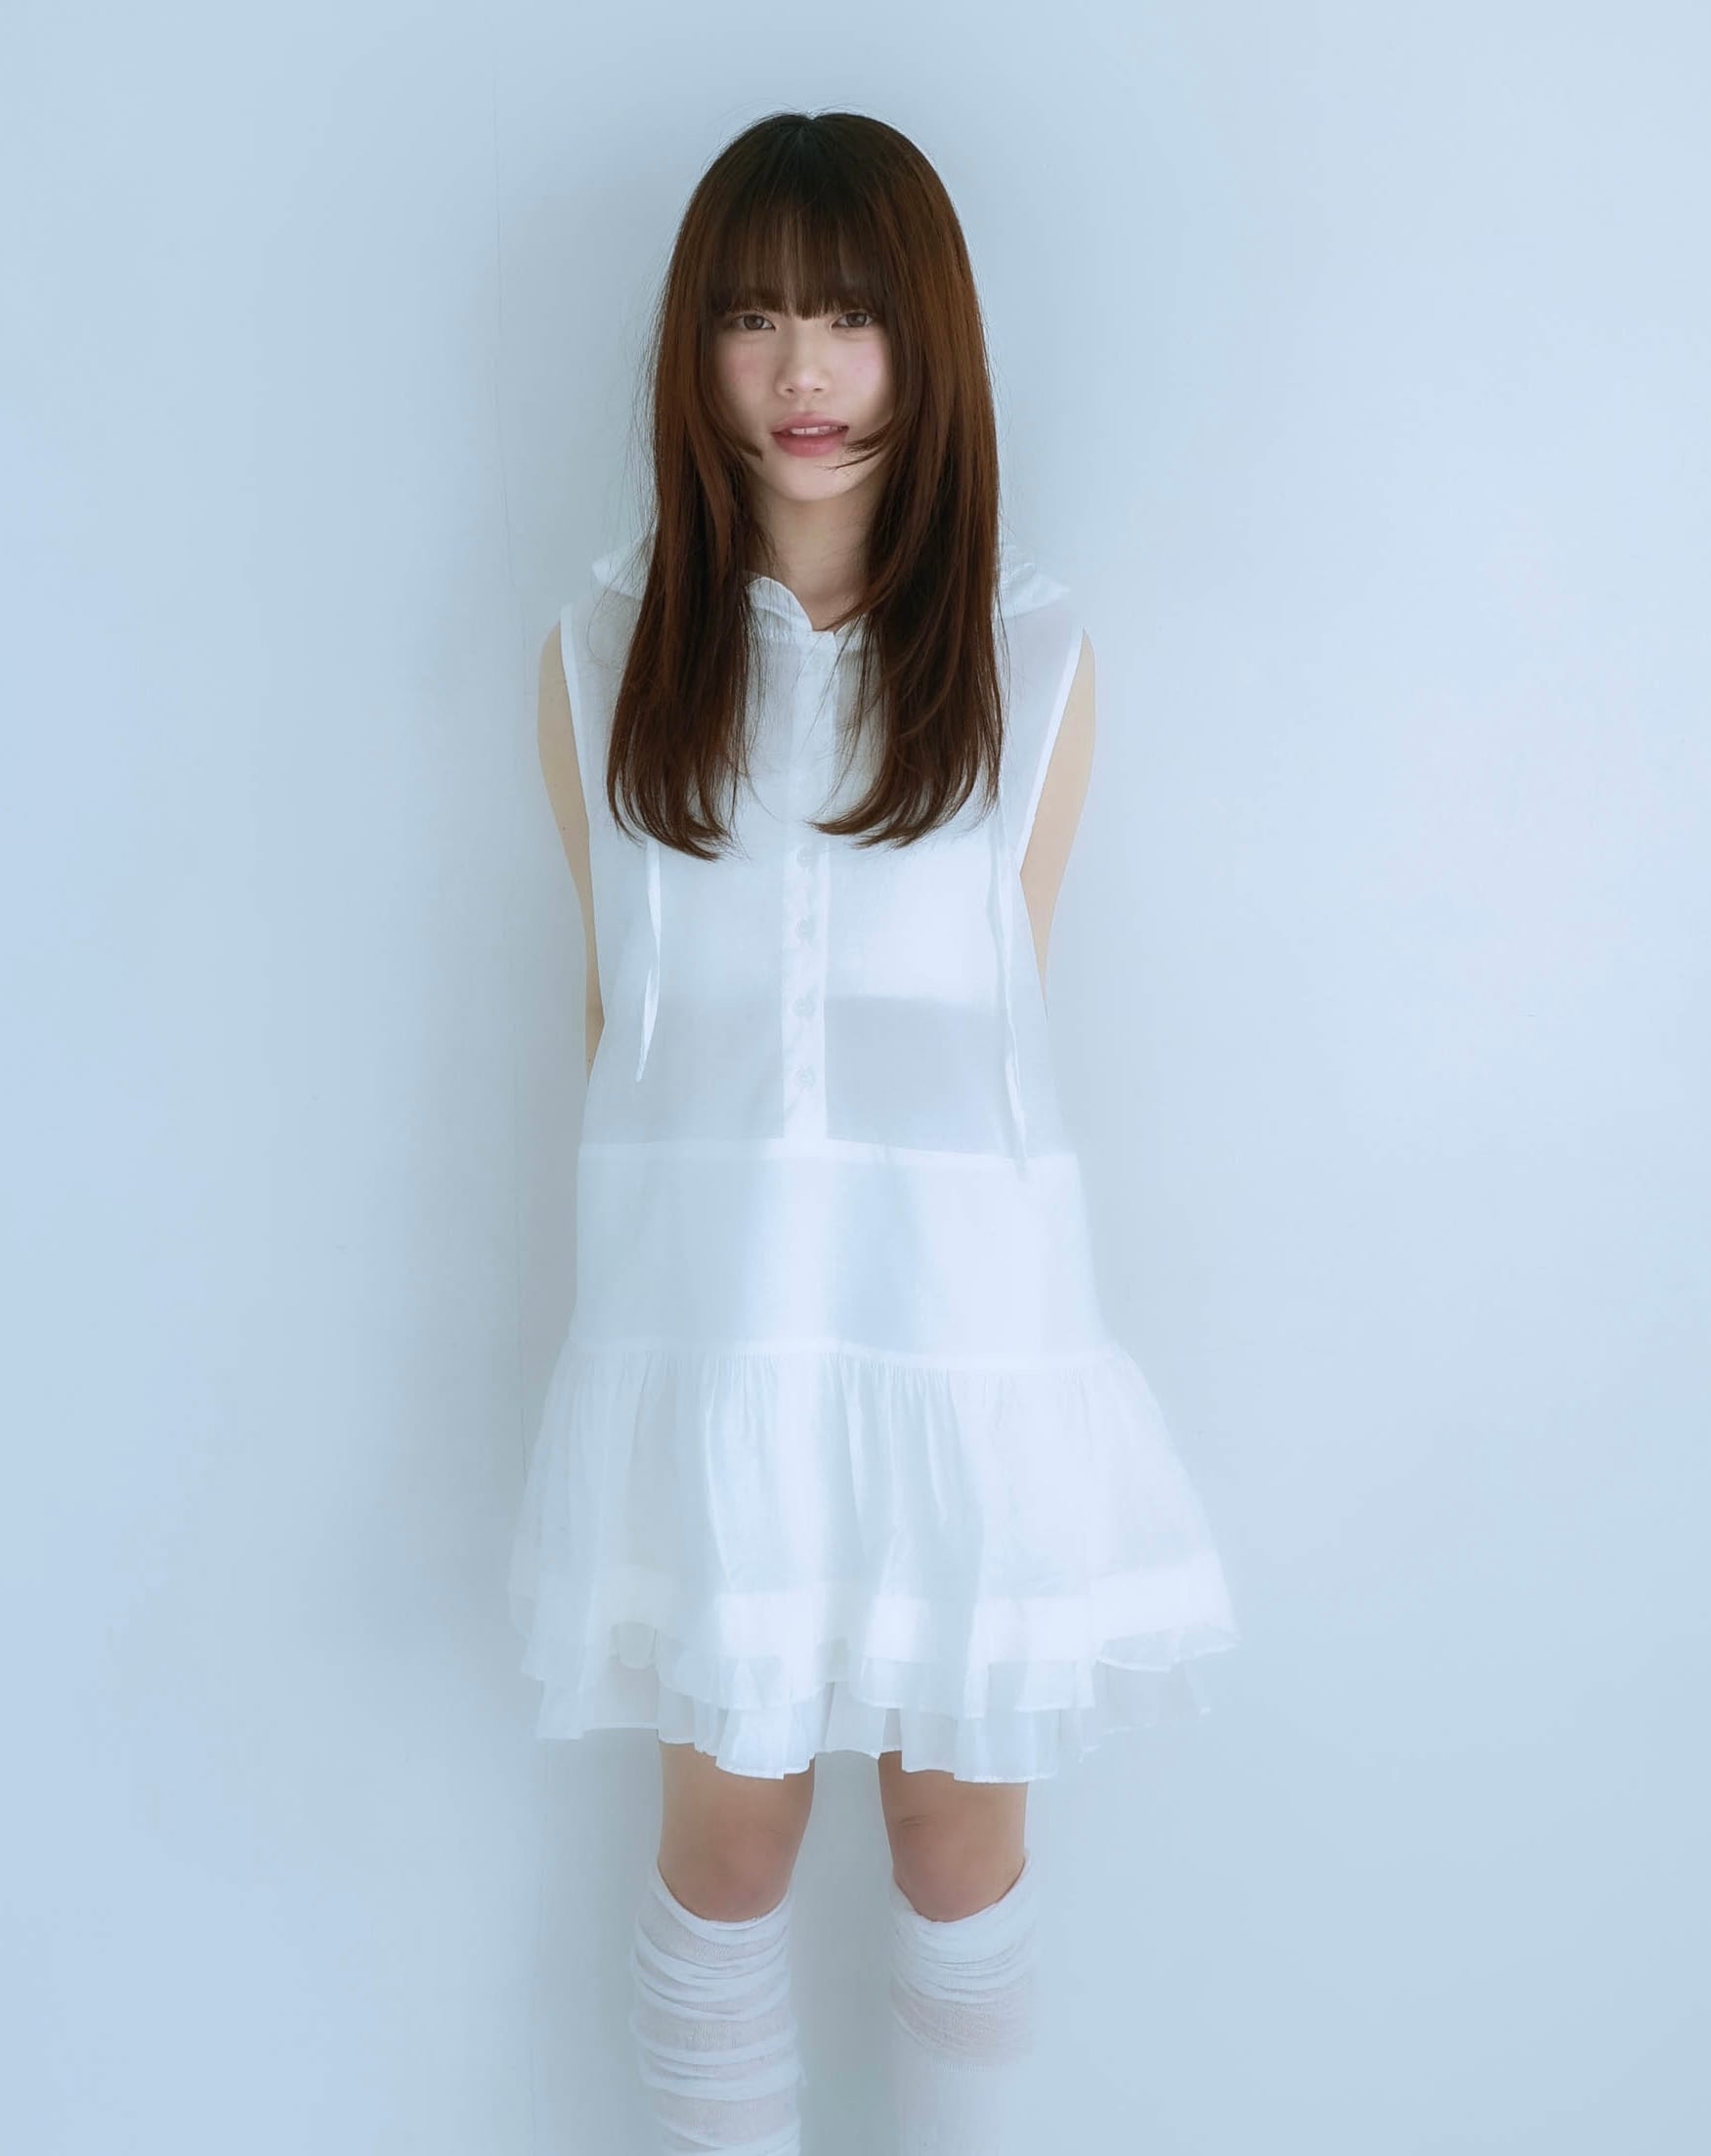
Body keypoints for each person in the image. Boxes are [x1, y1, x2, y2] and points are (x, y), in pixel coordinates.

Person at [508, 108, 1240, 2154]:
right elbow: (611, 1012)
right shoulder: (595, 658)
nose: (804, 373)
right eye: (753, 319)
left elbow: (1005, 1021)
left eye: (847, 317)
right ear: (696, 351)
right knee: (728, 1848)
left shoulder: (1031, 655)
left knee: (953, 1837)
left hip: (956, 1340)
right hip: (715, 1333)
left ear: (926, 343)